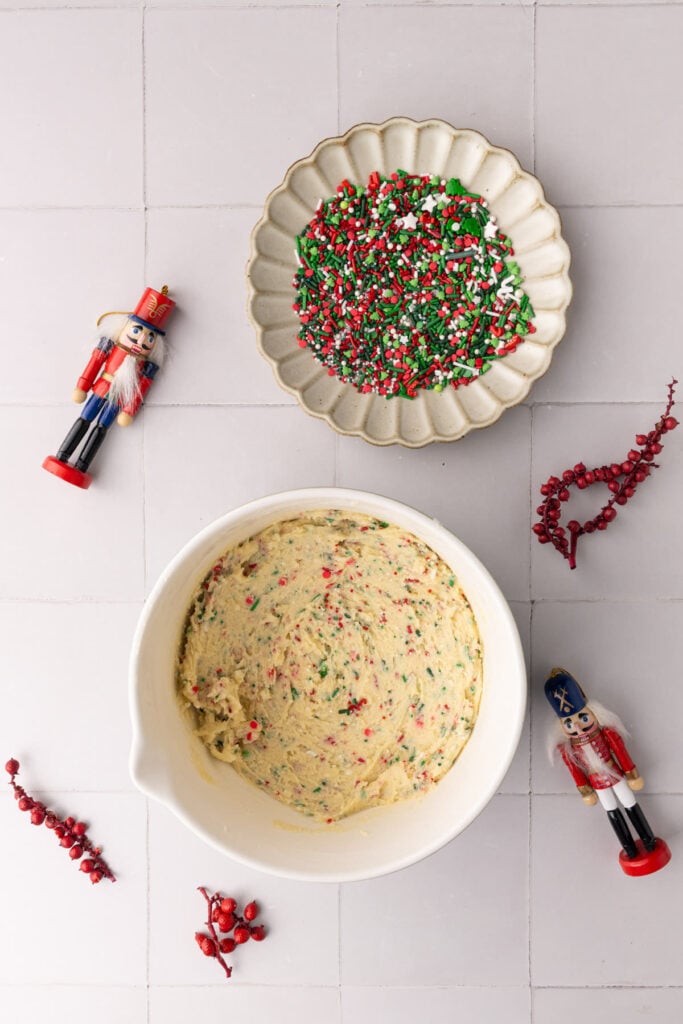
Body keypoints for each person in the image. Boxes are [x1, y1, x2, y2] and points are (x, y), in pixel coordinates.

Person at [43, 286, 175, 489]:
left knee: (102, 428)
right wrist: (82, 386)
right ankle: (62, 455)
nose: (140, 340)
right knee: (84, 419)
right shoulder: (108, 347)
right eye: (137, 331)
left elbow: (140, 389)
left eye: (150, 337)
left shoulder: (146, 366)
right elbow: (93, 365)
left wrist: (129, 410)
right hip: (101, 389)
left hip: (120, 397)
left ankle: (82, 464)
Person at [544, 667, 670, 875]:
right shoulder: (570, 749)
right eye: (569, 723)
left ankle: (649, 841)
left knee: (630, 804)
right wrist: (585, 789)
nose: (577, 726)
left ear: (594, 713)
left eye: (583, 718)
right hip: (597, 782)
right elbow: (576, 770)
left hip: (616, 775)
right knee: (612, 812)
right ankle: (628, 848)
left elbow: (620, 753)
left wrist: (631, 773)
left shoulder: (608, 734)